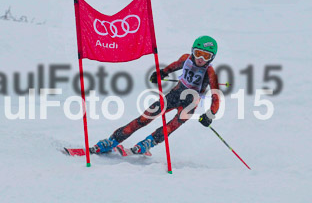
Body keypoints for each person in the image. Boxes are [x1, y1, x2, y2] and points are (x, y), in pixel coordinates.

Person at [91, 36, 221, 155]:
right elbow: (173, 66)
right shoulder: (185, 59)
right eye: (198, 53)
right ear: (192, 51)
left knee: (169, 128)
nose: (200, 59)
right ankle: (112, 141)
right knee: (144, 118)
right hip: (174, 95)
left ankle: (148, 143)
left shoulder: (210, 72)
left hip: (190, 104)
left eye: (206, 56)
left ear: (212, 58)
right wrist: (162, 73)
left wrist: (210, 115)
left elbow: (216, 97)